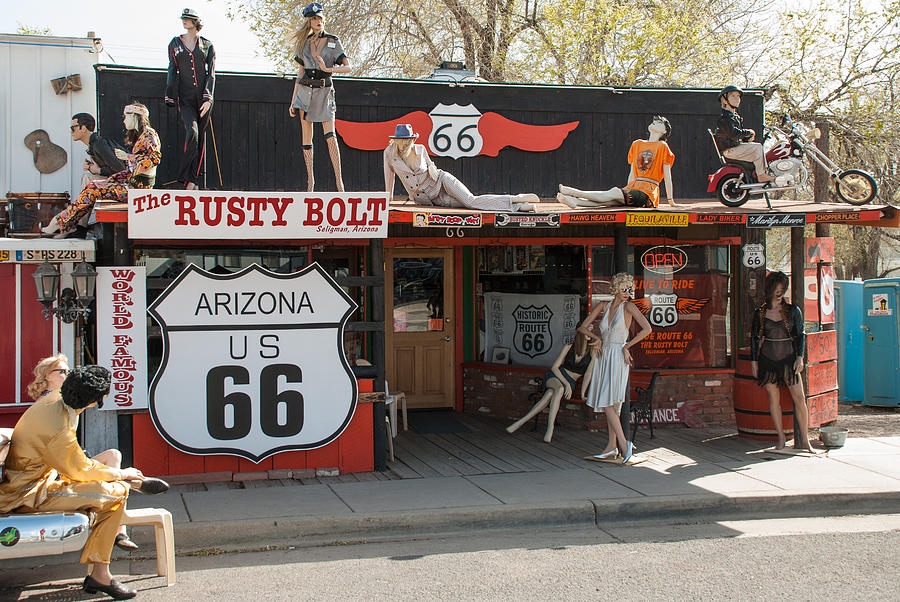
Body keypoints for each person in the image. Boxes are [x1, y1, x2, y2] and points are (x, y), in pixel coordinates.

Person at [0, 366, 169, 600]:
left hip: (39, 475)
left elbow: (74, 463)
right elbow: (81, 469)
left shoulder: (56, 398)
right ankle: (100, 573)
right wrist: (122, 474)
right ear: (94, 402)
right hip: (30, 492)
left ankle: (109, 547)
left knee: (116, 483)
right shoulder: (58, 430)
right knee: (116, 494)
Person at [26, 355, 143, 551]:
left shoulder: (65, 402)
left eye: (68, 371)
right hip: (53, 472)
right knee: (115, 465)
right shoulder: (49, 404)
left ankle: (118, 523)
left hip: (68, 461)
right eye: (62, 372)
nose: (67, 374)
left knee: (113, 456)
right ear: (47, 376)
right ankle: (118, 526)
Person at [42, 103, 161, 237]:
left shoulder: (149, 135)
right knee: (92, 186)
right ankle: (66, 224)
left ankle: (61, 222)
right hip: (133, 187)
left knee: (93, 188)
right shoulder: (142, 136)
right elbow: (133, 169)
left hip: (137, 191)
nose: (123, 120)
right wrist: (114, 178)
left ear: (135, 116)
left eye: (126, 117)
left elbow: (154, 160)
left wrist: (126, 157)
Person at [578, 273, 652, 463]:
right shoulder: (604, 305)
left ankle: (624, 444)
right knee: (610, 402)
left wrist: (627, 346)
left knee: (608, 401)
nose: (628, 292)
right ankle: (612, 447)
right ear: (616, 289)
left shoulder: (629, 307)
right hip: (604, 355)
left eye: (630, 289)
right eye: (624, 288)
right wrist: (596, 339)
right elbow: (583, 327)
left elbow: (647, 329)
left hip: (618, 355)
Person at [384, 124, 539, 211]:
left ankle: (515, 199)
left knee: (470, 200)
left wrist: (431, 167)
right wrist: (388, 198)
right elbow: (389, 175)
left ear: (412, 140)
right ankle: (520, 207)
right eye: (402, 140)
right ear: (395, 140)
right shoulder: (390, 154)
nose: (405, 144)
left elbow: (430, 165)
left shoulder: (420, 149)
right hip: (429, 199)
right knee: (470, 206)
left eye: (408, 140)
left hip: (441, 180)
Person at [288, 2, 350, 192]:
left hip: (325, 90)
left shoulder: (333, 41)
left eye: (319, 18)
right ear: (309, 21)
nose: (318, 21)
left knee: (330, 136)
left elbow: (348, 67)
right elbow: (300, 73)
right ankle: (310, 184)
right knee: (307, 139)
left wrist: (327, 69)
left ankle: (340, 183)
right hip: (305, 92)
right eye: (314, 18)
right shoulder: (304, 43)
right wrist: (293, 100)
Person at [557, 116, 680, 209]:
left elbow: (667, 176)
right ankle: (576, 202)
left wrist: (671, 201)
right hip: (634, 187)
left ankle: (573, 192)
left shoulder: (662, 146)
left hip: (648, 192)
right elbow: (632, 171)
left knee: (613, 193)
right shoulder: (637, 144)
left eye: (660, 123)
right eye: (656, 121)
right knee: (610, 201)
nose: (655, 122)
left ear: (664, 132)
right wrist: (628, 188)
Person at [750, 271, 813, 451]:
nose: (780, 292)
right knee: (773, 398)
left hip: (789, 358)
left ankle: (805, 439)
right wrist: (754, 362)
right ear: (770, 289)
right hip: (768, 360)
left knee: (800, 398)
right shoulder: (760, 312)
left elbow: (801, 334)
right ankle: (780, 437)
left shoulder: (793, 310)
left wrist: (800, 357)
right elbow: (754, 337)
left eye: (782, 289)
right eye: (777, 289)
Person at [506, 330, 592, 443]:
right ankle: (550, 428)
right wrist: (565, 383)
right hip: (556, 376)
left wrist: (582, 393)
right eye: (588, 328)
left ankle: (521, 422)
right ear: (581, 331)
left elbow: (588, 374)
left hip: (571, 381)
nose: (590, 331)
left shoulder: (592, 351)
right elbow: (554, 368)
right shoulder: (569, 346)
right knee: (560, 389)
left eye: (591, 329)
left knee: (550, 393)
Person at [165, 8, 215, 190]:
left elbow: (211, 73)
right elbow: (172, 69)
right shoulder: (175, 44)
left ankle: (193, 180)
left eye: (188, 19)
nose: (185, 22)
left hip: (203, 99)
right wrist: (170, 94)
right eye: (183, 19)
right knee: (192, 133)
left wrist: (208, 98)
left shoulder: (207, 45)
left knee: (201, 138)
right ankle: (185, 177)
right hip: (185, 98)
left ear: (196, 22)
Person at [714, 85, 775, 183]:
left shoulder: (734, 116)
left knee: (757, 149)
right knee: (757, 147)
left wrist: (747, 137)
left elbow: (737, 136)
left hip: (734, 147)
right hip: (730, 150)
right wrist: (749, 132)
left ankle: (764, 173)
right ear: (724, 100)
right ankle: (762, 175)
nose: (737, 99)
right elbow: (733, 134)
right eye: (733, 96)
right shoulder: (725, 118)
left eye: (738, 96)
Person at [70, 112, 125, 189]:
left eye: (73, 128)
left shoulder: (99, 145)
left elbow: (121, 170)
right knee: (88, 178)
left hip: (126, 185)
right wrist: (92, 168)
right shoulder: (94, 145)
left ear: (83, 128)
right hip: (118, 183)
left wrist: (98, 170)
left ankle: (82, 201)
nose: (71, 132)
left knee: (87, 178)